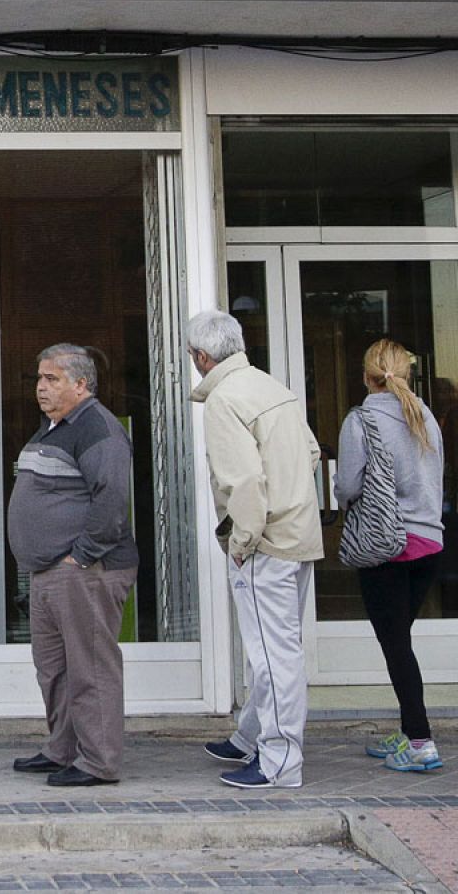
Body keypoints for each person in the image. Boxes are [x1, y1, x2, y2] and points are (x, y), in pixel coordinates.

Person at [188, 310, 322, 789]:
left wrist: (242, 540)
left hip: (265, 542)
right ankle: (250, 736)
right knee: (272, 647)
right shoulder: (271, 387)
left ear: (202, 357)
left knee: (272, 654)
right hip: (297, 534)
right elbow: (311, 453)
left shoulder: (224, 399)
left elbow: (242, 480)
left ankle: (279, 760)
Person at [6, 344, 138, 787]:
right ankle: (63, 749)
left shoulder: (98, 428)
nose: (41, 387)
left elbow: (112, 499)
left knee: (90, 666)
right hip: (51, 571)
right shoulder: (54, 428)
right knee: (54, 668)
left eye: (52, 379)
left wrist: (79, 556)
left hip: (86, 569)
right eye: (39, 378)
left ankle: (98, 761)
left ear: (81, 384)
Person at [334, 339, 445, 772]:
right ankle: (407, 730)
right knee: (400, 640)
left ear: (367, 376)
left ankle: (419, 742)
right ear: (406, 374)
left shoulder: (360, 421)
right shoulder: (425, 416)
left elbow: (347, 486)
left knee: (396, 646)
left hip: (387, 547)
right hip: (429, 545)